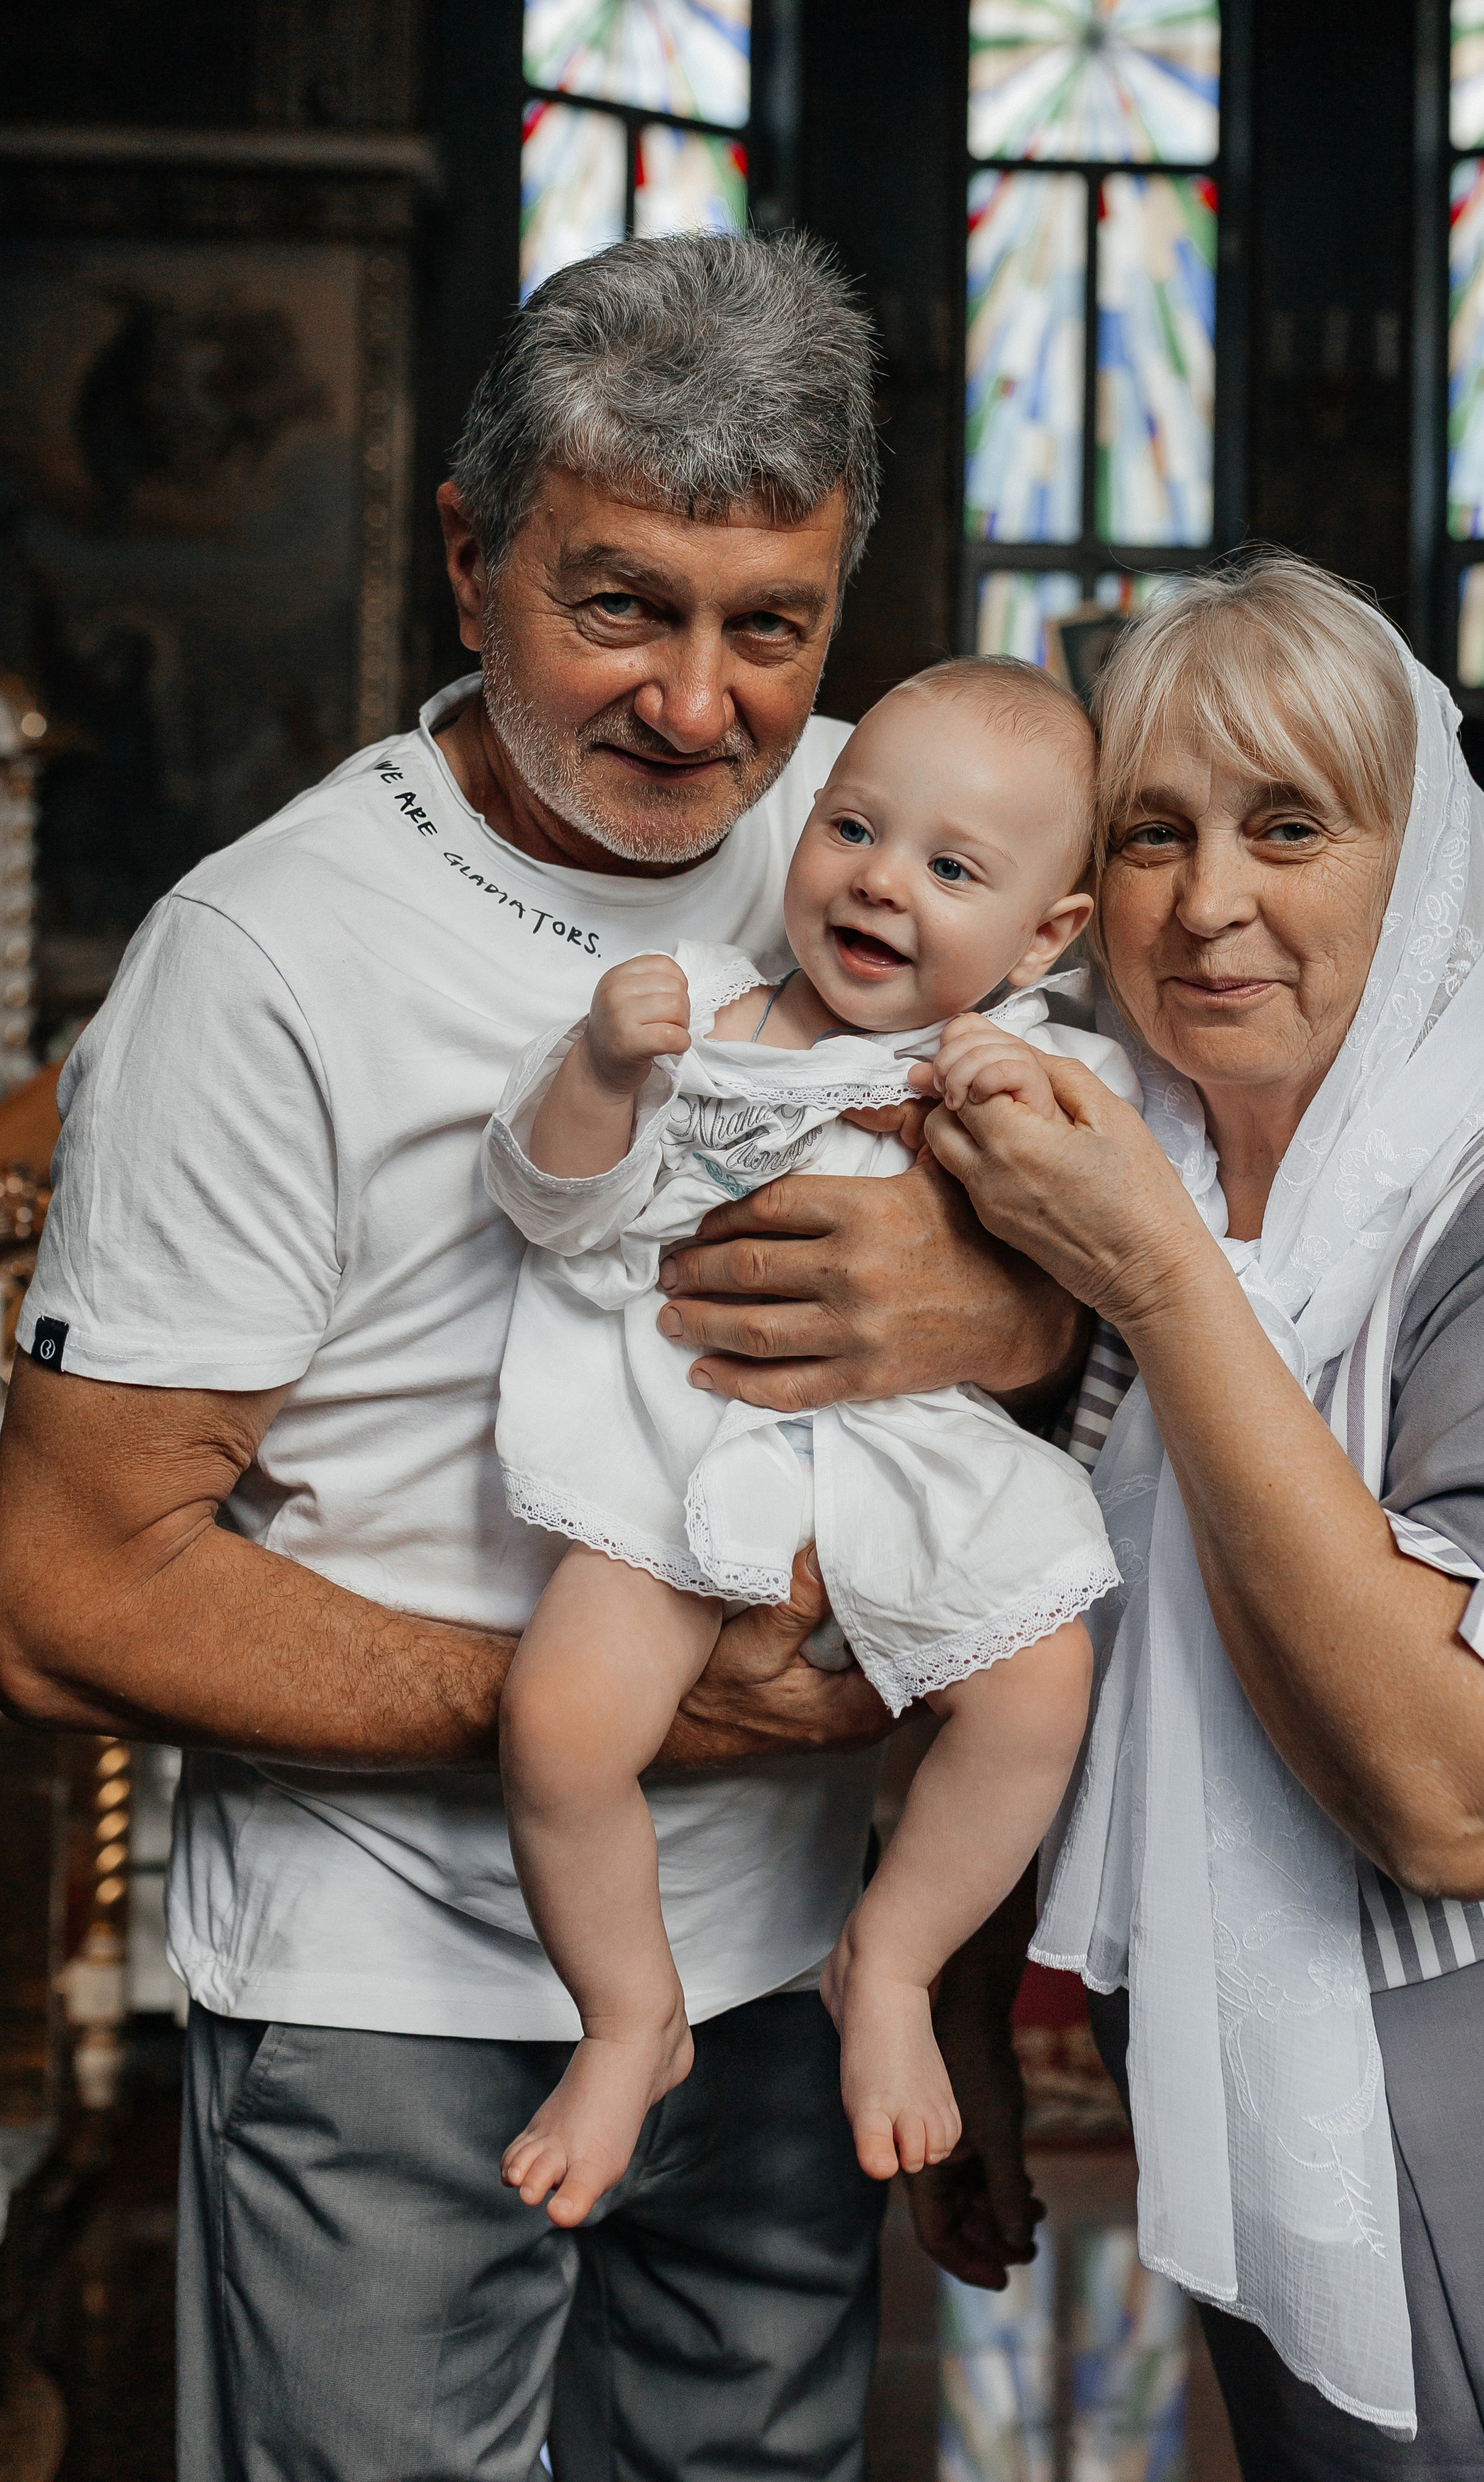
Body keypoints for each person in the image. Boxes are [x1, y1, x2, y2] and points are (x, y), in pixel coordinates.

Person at [0, 234, 1079, 2482]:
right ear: (471, 555)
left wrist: (1010, 1302)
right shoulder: (266, 958)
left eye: (769, 628)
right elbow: (64, 1586)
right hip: (390, 2005)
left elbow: (1167, 1218)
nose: (702, 708)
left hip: (793, 1984)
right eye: (621, 607)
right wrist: (620, 1719)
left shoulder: (900, 828)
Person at [918, 550, 1484, 2480]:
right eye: (1154, 831)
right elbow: (1030, 1628)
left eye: (1291, 823)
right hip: (1281, 2172)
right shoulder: (1115, 1180)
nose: (1211, 899)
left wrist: (1166, 1288)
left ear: (1418, 871)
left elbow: (1460, 1789)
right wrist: (969, 2004)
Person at [486, 662, 1135, 2225]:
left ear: (1046, 935)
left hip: (904, 1465)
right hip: (682, 1444)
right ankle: (630, 2013)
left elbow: (1106, 1247)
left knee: (1040, 1686)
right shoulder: (699, 1012)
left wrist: (1016, 1109)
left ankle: (891, 1959)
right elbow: (546, 1200)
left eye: (953, 869)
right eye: (852, 826)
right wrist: (594, 1071)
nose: (880, 880)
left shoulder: (1036, 1061)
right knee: (560, 1728)